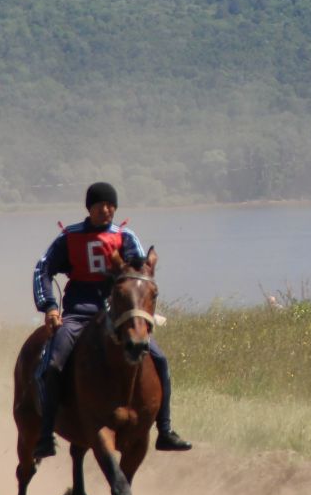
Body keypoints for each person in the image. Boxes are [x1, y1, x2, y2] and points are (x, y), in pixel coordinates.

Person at [30, 181, 191, 459]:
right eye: (100, 205)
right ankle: (46, 433)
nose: (107, 210)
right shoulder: (69, 237)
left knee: (160, 360)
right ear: (89, 208)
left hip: (119, 315)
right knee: (53, 362)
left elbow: (141, 274)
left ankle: (164, 430)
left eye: (111, 205)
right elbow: (43, 269)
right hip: (80, 312)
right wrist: (50, 307)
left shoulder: (126, 237)